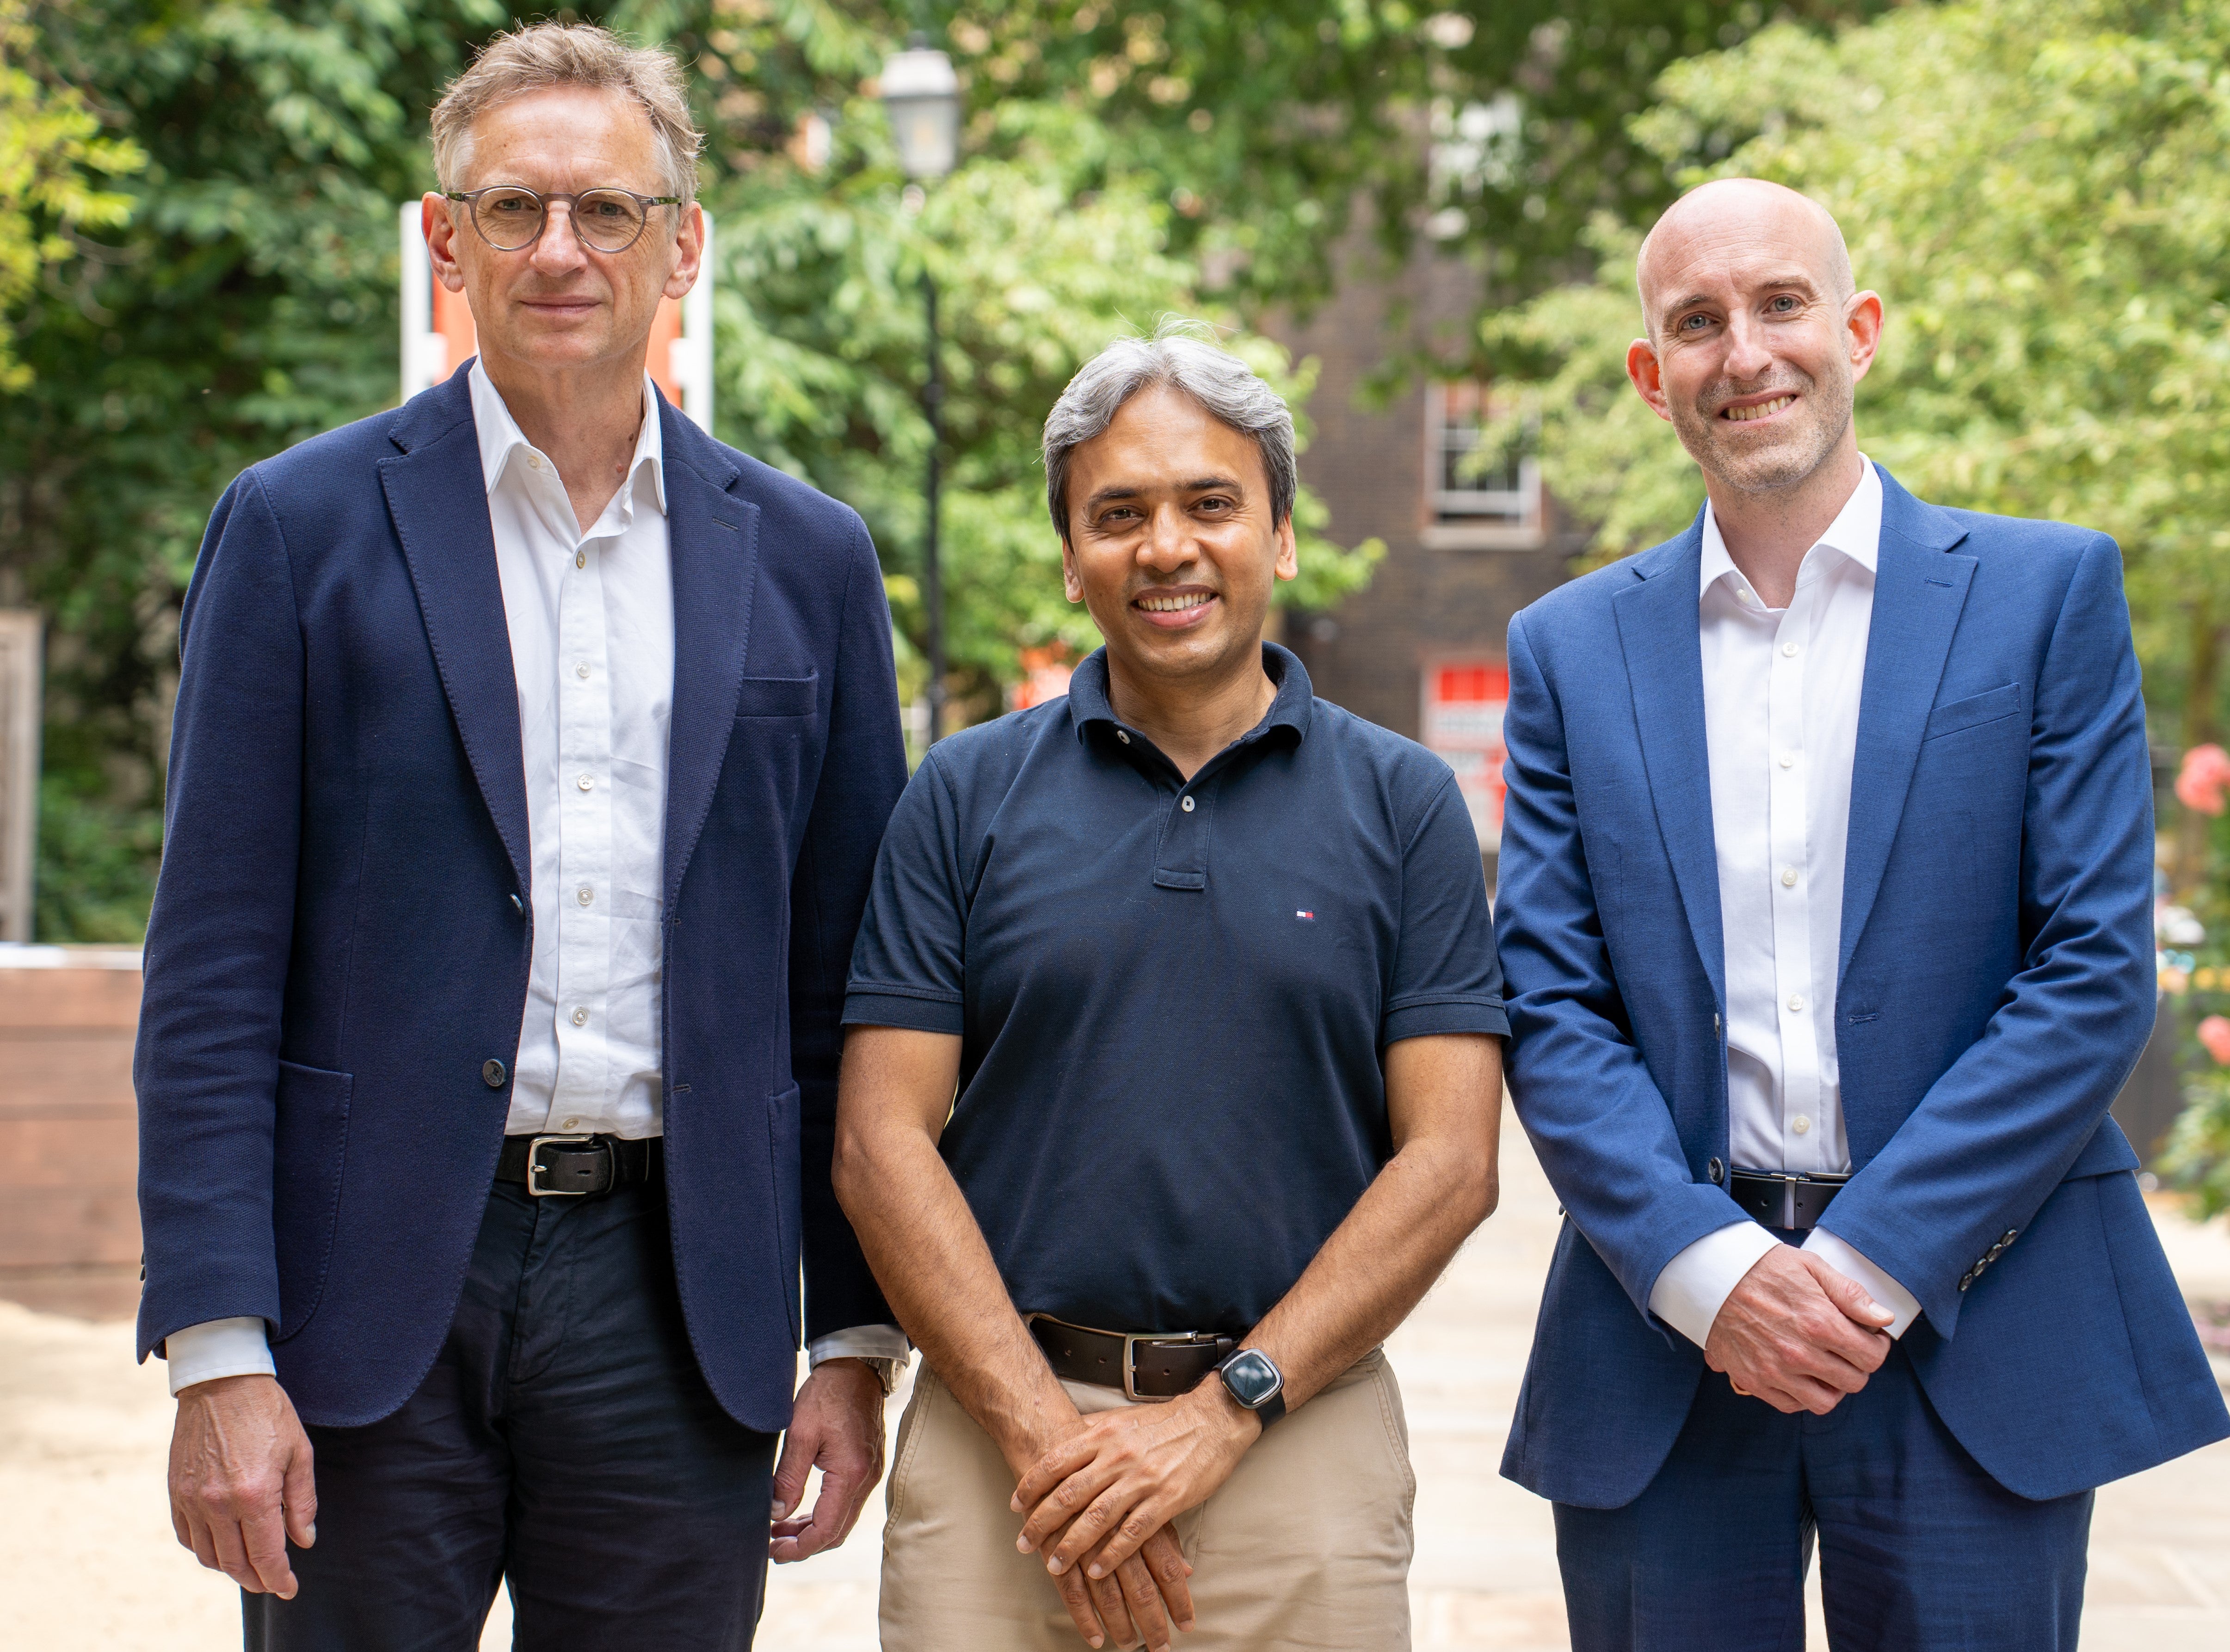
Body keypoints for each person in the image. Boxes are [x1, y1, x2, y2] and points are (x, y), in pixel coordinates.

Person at [135, 24, 908, 1649]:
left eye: (609, 211)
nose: (562, 249)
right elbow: (209, 966)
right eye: (514, 209)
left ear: (682, 243)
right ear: (447, 241)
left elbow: (839, 995)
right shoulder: (295, 530)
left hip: (678, 1293)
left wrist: (851, 1334)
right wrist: (220, 1348)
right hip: (370, 1296)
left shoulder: (813, 562)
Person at [1493, 177, 2230, 1651]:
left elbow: (2092, 969)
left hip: (1983, 1312)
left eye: (1780, 304)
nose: (1744, 352)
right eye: (1696, 323)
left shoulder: (2044, 593)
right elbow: (1551, 1004)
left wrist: (1860, 1263)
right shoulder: (1568, 646)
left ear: (1860, 329)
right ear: (1653, 377)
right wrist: (1716, 1276)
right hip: (1668, 1340)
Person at [832, 322, 1509, 1652]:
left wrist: (1219, 1414)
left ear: (1283, 534)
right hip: (1000, 1450)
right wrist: (1046, 1437)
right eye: (1117, 514)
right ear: (1073, 558)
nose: (1167, 547)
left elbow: (1454, 1159)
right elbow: (878, 1141)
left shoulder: (1406, 803)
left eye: (1212, 503)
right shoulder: (963, 795)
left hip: (1292, 1436)